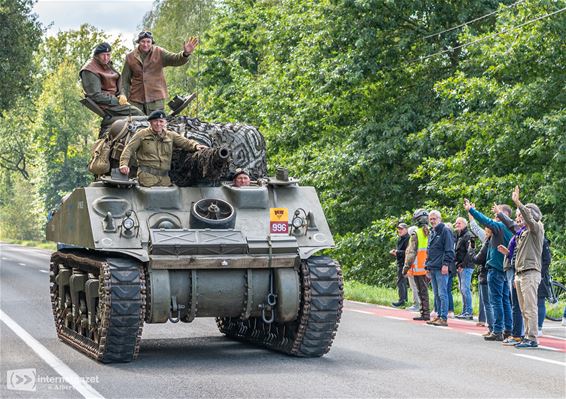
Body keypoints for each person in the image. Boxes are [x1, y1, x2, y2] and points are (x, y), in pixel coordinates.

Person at [465, 199, 513, 341]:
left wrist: (471, 210)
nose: (494, 219)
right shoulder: (511, 228)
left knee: (496, 301)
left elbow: (485, 221)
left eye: (496, 216)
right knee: (505, 301)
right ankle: (507, 329)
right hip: (504, 269)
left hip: (496, 269)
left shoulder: (500, 227)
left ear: (502, 215)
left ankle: (497, 330)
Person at [119, 110, 207, 187]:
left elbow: (185, 142)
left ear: (165, 123)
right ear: (150, 122)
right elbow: (129, 149)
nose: (158, 124)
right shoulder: (141, 134)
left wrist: (196, 146)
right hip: (147, 177)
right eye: (155, 121)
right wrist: (124, 164)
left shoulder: (170, 135)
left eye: (161, 121)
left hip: (165, 178)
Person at [121, 31, 199, 115]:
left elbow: (175, 59)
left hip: (156, 100)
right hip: (136, 100)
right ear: (138, 42)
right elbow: (124, 80)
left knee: (157, 124)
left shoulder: (159, 52)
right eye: (143, 41)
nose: (145, 44)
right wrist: (123, 94)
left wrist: (185, 53)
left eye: (148, 42)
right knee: (136, 125)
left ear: (152, 42)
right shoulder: (130, 57)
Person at [510, 186, 544, 348]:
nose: (520, 218)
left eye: (522, 214)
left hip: (530, 273)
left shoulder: (536, 228)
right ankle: (527, 335)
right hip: (521, 273)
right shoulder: (524, 232)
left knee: (530, 307)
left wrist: (518, 202)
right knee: (524, 308)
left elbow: (529, 219)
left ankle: (532, 338)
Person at [79, 42, 144, 122]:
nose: (106, 58)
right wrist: (116, 100)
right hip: (106, 105)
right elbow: (95, 95)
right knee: (138, 114)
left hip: (115, 100)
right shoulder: (89, 70)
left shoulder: (106, 64)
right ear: (97, 55)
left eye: (108, 55)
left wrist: (122, 95)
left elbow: (118, 81)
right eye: (103, 55)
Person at [425, 210, 455, 327]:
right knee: (436, 293)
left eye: (434, 219)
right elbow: (430, 250)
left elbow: (449, 250)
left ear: (440, 219)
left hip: (441, 267)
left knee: (443, 293)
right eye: (431, 219)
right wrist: (427, 265)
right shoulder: (432, 232)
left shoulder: (445, 231)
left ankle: (443, 317)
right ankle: (438, 315)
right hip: (433, 266)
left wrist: (446, 264)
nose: (432, 221)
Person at [403, 210, 430, 321]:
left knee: (421, 291)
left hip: (419, 267)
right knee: (425, 291)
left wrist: (406, 267)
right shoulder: (431, 232)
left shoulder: (416, 233)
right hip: (429, 266)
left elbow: (411, 252)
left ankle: (425, 313)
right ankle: (426, 313)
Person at [454, 217, 474, 320]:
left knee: (465, 289)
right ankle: (464, 310)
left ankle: (469, 312)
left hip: (466, 266)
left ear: (465, 224)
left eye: (459, 223)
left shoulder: (469, 236)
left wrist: (462, 265)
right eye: (456, 223)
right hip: (460, 266)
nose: (457, 225)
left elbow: (470, 252)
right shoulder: (459, 236)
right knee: (462, 289)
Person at [390, 223, 410, 307]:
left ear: (406, 229)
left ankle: (402, 300)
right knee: (401, 281)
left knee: (401, 281)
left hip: (404, 263)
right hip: (400, 262)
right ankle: (403, 299)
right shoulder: (400, 239)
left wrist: (397, 252)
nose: (399, 230)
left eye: (401, 229)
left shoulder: (408, 239)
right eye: (399, 229)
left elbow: (407, 252)